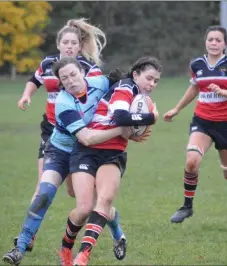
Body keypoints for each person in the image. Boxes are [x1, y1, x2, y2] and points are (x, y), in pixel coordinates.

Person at [2, 57, 136, 266]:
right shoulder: (63, 102)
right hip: (60, 151)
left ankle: (118, 233)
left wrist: (144, 115)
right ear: (61, 83)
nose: (71, 80)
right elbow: (86, 137)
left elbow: (129, 87)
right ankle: (19, 248)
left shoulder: (100, 82)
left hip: (85, 153)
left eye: (73, 74)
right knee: (44, 193)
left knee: (91, 205)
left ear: (82, 72)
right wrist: (124, 129)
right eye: (65, 78)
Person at [13, 18, 114, 252]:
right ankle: (28, 237)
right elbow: (34, 80)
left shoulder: (88, 68)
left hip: (78, 133)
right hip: (52, 131)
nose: (69, 46)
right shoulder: (47, 63)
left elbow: (102, 92)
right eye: (65, 42)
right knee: (43, 187)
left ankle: (113, 227)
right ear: (58, 44)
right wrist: (26, 96)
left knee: (73, 192)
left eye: (73, 43)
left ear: (79, 46)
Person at [69, 56, 162, 266]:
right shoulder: (125, 87)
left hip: (113, 152)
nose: (152, 84)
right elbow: (120, 118)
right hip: (87, 150)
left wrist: (135, 131)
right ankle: (114, 233)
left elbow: (126, 125)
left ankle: (82, 256)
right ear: (136, 74)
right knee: (86, 208)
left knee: (104, 200)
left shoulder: (138, 95)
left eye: (156, 81)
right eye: (149, 78)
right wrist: (151, 118)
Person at [164, 25, 227, 227]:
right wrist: (177, 109)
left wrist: (223, 92)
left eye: (218, 40)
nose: (213, 43)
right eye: (210, 39)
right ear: (205, 42)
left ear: (225, 44)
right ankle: (187, 206)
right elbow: (195, 87)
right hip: (202, 121)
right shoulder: (197, 64)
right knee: (192, 161)